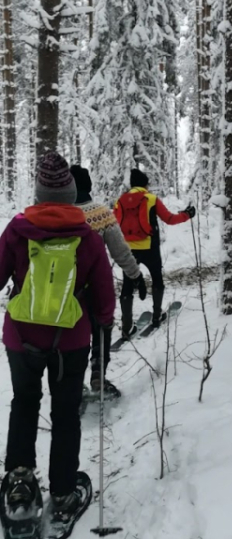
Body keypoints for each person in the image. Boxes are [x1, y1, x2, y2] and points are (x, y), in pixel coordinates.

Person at [0, 152, 115, 537]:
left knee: (24, 403)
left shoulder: (17, 229)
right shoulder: (87, 234)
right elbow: (103, 296)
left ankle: (19, 484)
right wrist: (104, 322)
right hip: (70, 341)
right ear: (69, 194)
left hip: (21, 338)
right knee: (65, 414)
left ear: (38, 193)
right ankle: (64, 493)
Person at [69, 165, 147, 396]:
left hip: (62, 290)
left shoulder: (58, 214)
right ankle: (97, 376)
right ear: (89, 186)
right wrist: (136, 275)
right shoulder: (100, 213)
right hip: (96, 288)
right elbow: (120, 250)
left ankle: (71, 383)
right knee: (102, 328)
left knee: (71, 336)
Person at [114, 168, 195, 336]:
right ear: (145, 184)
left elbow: (114, 223)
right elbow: (170, 219)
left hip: (129, 250)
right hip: (150, 247)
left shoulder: (120, 201)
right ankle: (157, 316)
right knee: (157, 279)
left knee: (127, 286)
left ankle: (127, 326)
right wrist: (187, 215)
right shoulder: (151, 199)